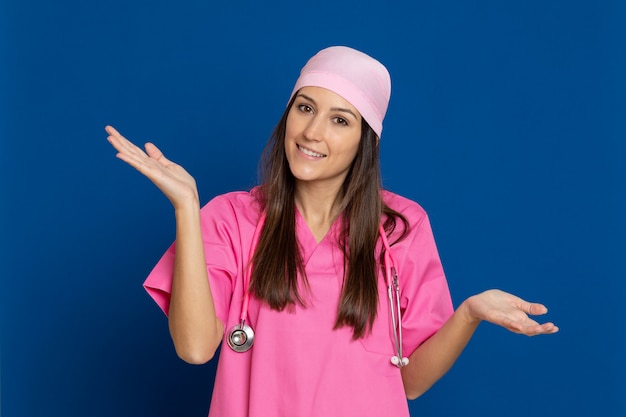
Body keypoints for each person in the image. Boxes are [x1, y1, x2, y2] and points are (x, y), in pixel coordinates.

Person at [106, 46, 558, 417]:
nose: (312, 132)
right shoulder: (231, 218)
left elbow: (412, 383)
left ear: (366, 140)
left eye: (340, 119)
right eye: (305, 108)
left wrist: (469, 314)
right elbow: (194, 348)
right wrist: (187, 208)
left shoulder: (400, 228)